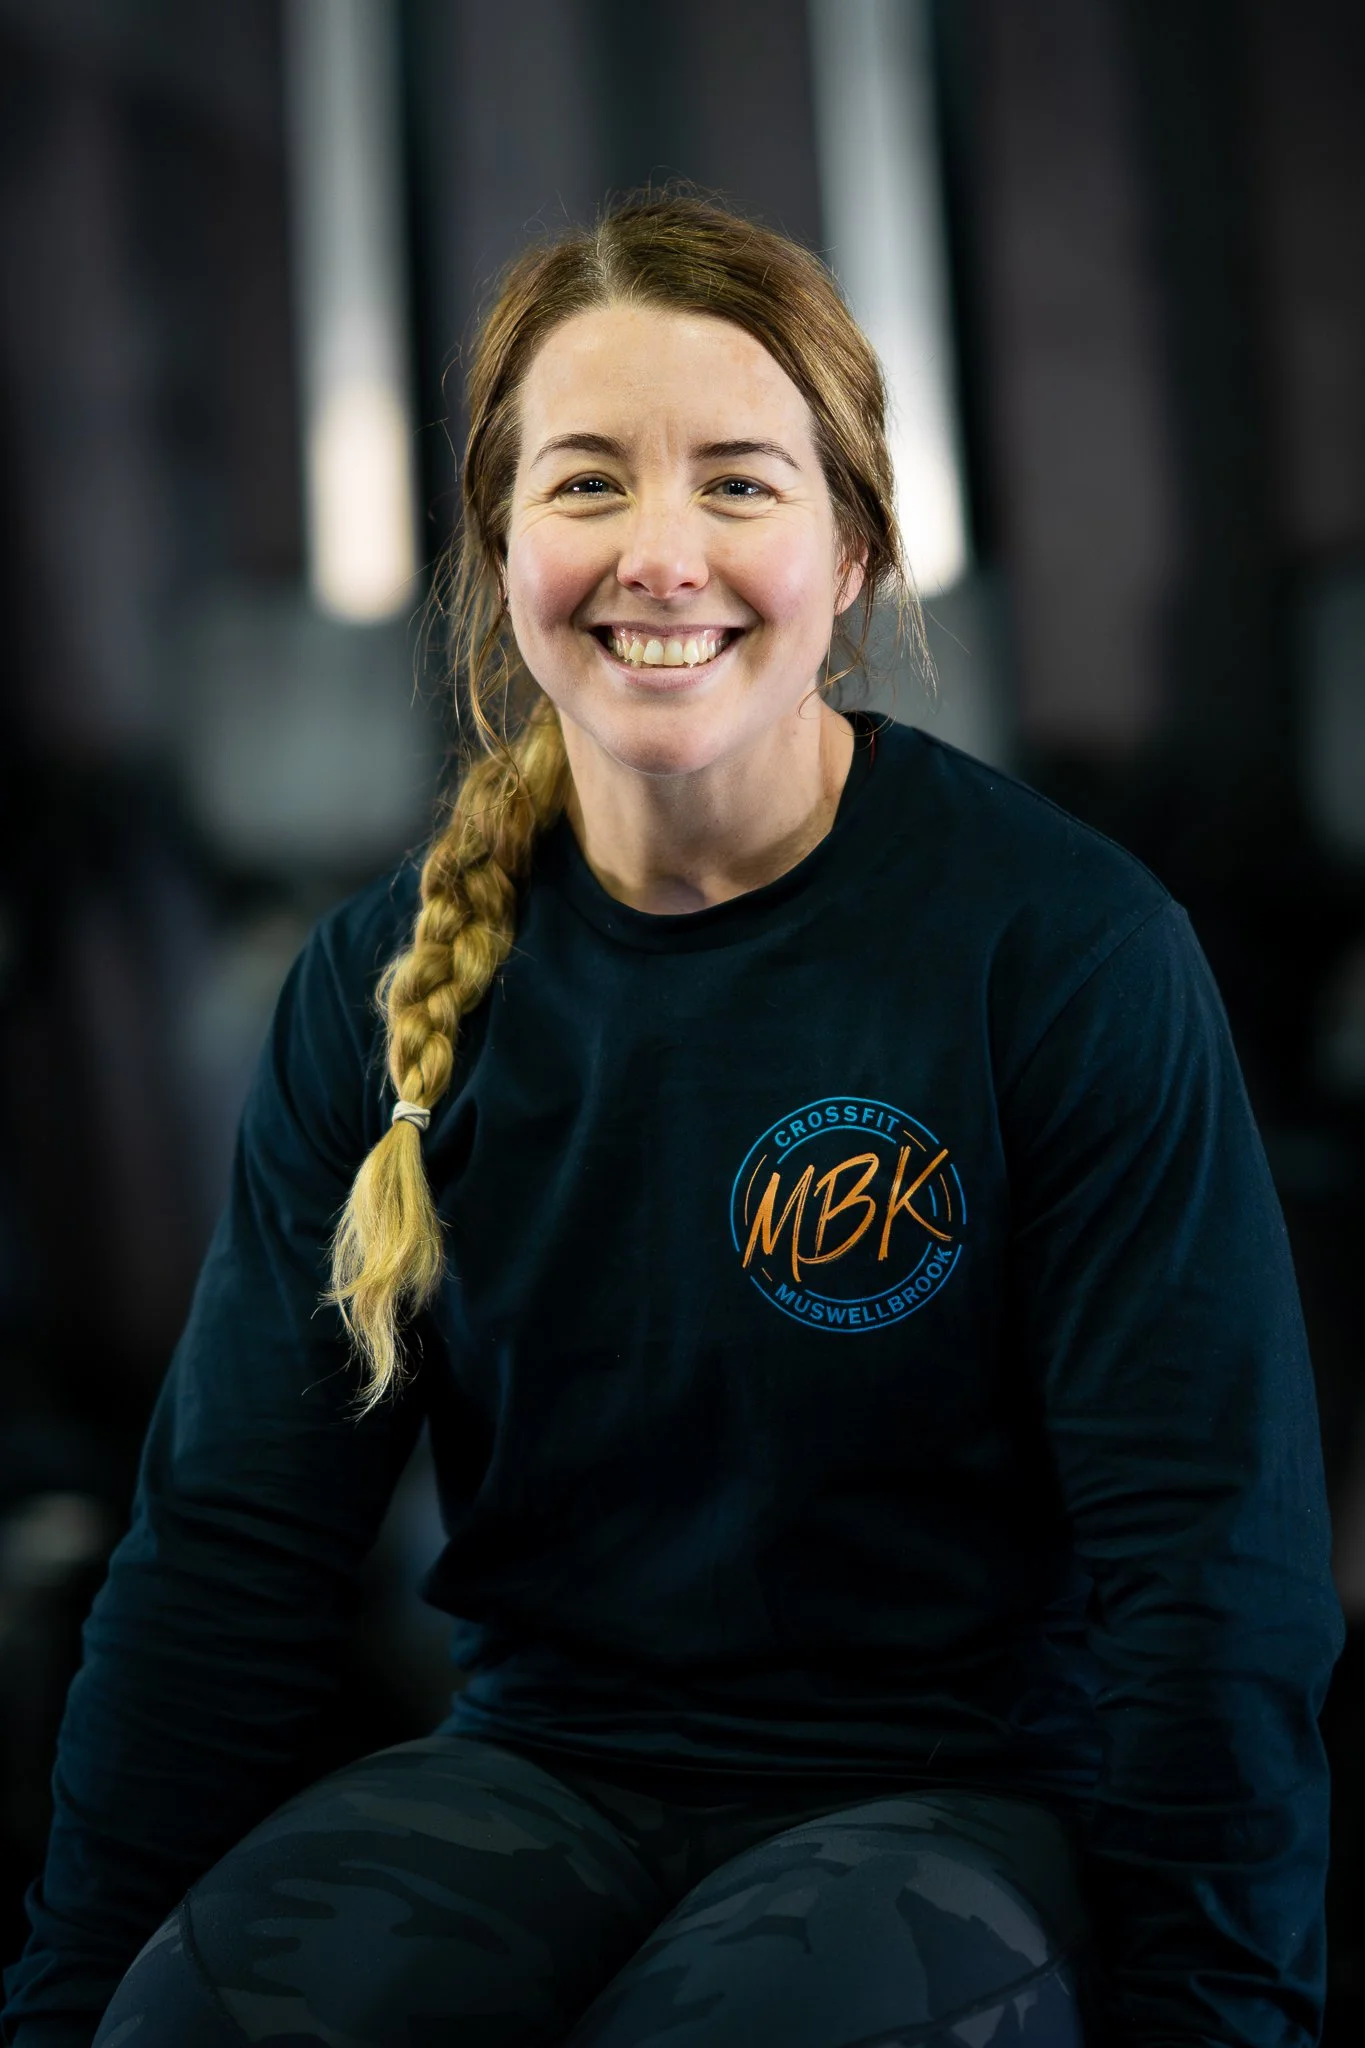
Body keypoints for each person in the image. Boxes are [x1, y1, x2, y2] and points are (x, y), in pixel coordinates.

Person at [1, 191, 1343, 2048]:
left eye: (737, 482)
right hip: (539, 1769)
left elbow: (1215, 1572)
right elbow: (228, 1552)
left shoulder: (1066, 954)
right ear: (496, 543)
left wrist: (1225, 2017)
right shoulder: (384, 985)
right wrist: (65, 2004)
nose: (660, 553)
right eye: (585, 484)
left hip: (961, 1803)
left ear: (854, 548)